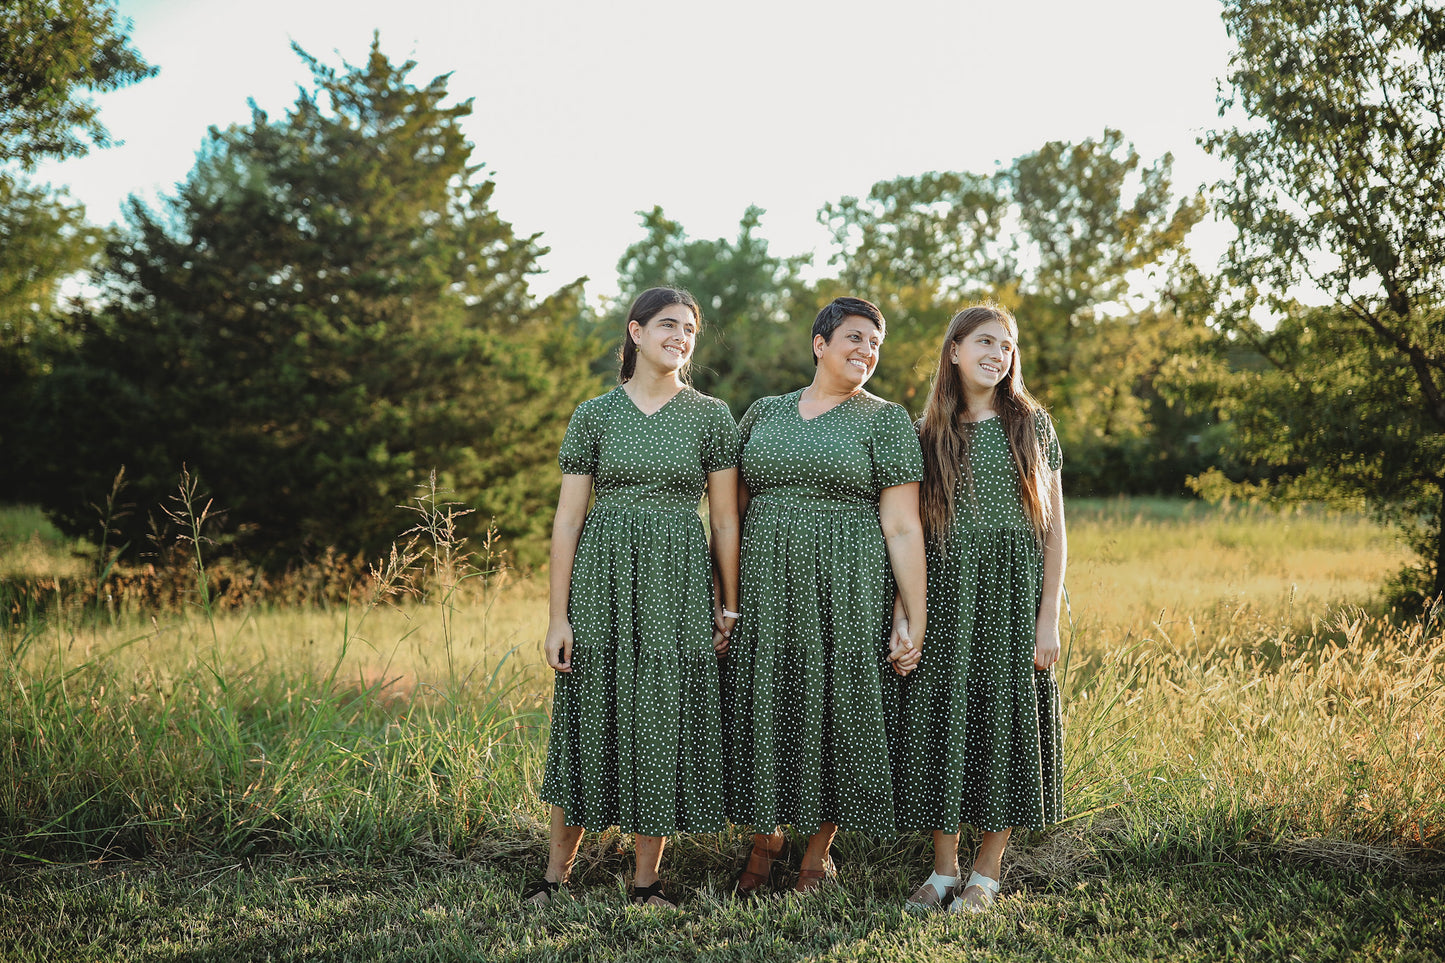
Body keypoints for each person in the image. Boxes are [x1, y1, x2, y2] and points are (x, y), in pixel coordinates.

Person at [525, 287, 741, 910]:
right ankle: (554, 876)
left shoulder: (710, 417)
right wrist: (557, 617)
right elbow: (567, 521)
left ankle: (646, 881)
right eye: (668, 325)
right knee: (590, 708)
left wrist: (726, 604)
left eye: (691, 329)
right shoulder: (594, 414)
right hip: (603, 581)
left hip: (679, 584)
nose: (680, 336)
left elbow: (725, 521)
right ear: (636, 332)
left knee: (662, 719)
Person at [722, 296, 927, 896]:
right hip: (764, 581)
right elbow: (729, 506)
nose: (866, 352)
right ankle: (766, 840)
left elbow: (904, 525)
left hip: (848, 584)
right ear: (820, 343)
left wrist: (913, 612)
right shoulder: (764, 412)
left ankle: (817, 852)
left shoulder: (885, 420)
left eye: (875, 344)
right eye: (855, 338)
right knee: (766, 698)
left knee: (838, 705)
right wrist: (723, 589)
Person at [893, 303, 1066, 913]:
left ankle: (987, 870)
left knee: (1005, 722)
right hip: (945, 596)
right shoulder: (928, 432)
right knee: (945, 722)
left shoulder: (1031, 426)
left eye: (1008, 345)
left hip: (1014, 598)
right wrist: (903, 616)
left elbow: (1056, 532)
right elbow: (908, 530)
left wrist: (1048, 618)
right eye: (985, 343)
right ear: (955, 351)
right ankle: (944, 870)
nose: (998, 354)